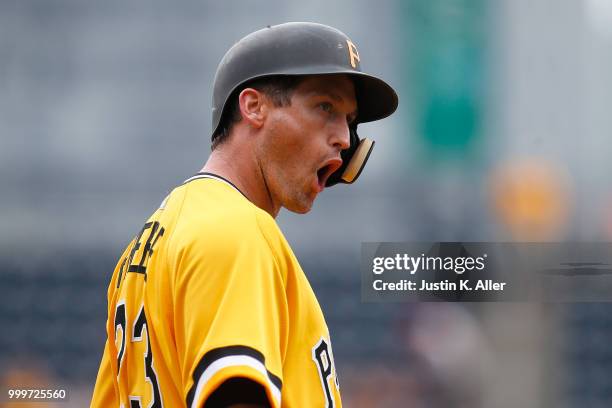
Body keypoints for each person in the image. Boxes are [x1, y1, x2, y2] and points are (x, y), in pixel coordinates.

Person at [91, 22, 397, 408]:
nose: (345, 139)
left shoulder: (146, 245)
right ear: (254, 106)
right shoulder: (237, 231)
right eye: (325, 107)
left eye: (349, 122)